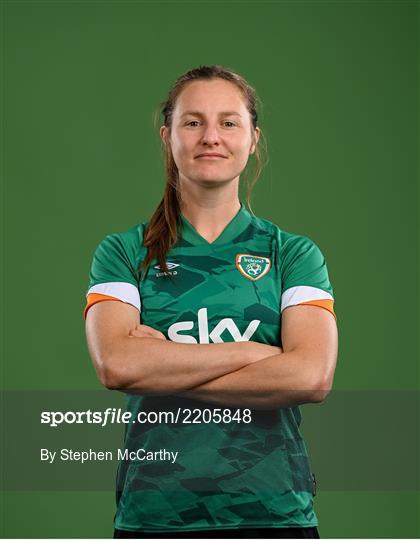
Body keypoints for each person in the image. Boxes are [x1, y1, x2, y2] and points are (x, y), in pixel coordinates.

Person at [84, 64, 338, 539]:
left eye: (228, 122)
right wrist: (253, 355)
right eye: (193, 121)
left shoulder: (293, 254)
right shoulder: (122, 252)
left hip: (274, 513)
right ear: (168, 136)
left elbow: (311, 375)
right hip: (155, 516)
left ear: (253, 138)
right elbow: (118, 365)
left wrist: (162, 366)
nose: (210, 137)